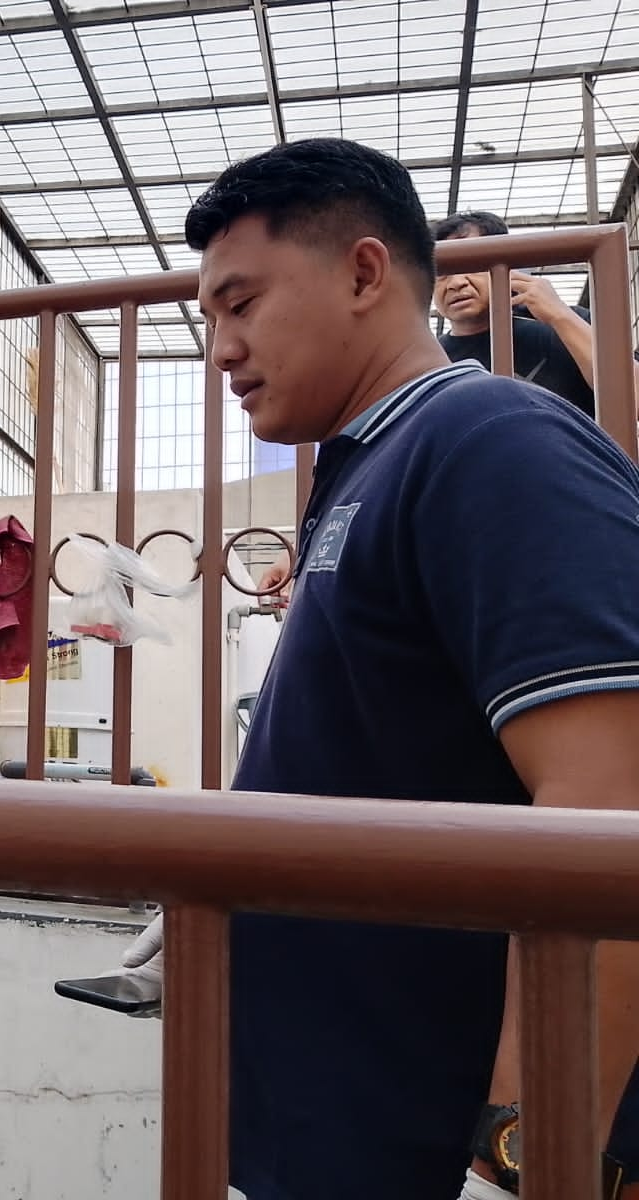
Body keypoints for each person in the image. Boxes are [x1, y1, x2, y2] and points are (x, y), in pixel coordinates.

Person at [111, 140, 639, 1199]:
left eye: (242, 303)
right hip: (334, 1124)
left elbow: (613, 798)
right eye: (206, 318)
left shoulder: (492, 440)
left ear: (362, 274)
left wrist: (524, 1151)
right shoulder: (371, 466)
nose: (220, 348)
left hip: (432, 1143)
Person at [432, 210, 639, 420]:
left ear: (509, 267)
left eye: (472, 265)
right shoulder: (431, 359)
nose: (456, 283)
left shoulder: (570, 323)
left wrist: (559, 315)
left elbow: (634, 398)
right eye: (442, 272)